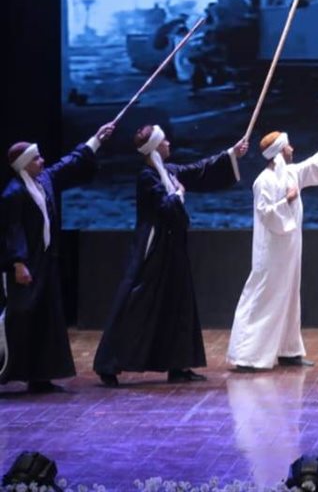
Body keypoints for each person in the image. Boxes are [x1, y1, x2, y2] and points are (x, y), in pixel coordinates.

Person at [93, 126, 249, 387]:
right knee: (137, 302)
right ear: (155, 147)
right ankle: (109, 363)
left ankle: (179, 364)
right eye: (163, 140)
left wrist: (231, 154)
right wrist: (178, 194)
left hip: (173, 246)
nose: (168, 143)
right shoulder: (147, 177)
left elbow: (198, 169)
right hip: (154, 249)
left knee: (179, 302)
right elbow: (164, 207)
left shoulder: (168, 171)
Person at [1, 121, 115, 393]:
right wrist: (18, 263)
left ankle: (40, 377)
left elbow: (70, 163)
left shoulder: (44, 181)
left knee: (46, 318)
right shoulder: (13, 193)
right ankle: (7, 370)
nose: (42, 161)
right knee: (21, 318)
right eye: (36, 158)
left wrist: (96, 140)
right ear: (24, 164)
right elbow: (12, 231)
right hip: (27, 264)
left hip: (46, 262)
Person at [227, 125, 318, 371]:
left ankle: (288, 350)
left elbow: (315, 162)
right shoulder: (263, 182)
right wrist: (287, 200)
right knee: (264, 295)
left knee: (290, 294)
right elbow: (266, 213)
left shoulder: (291, 173)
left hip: (289, 248)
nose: (292, 149)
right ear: (278, 152)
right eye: (288, 146)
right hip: (271, 249)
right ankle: (247, 355)